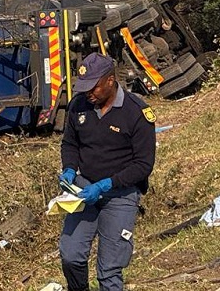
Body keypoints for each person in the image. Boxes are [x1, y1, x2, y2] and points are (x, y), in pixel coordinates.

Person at [59, 53, 157, 291]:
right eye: (83, 88)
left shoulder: (137, 113)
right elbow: (70, 144)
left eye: (93, 87)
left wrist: (106, 185)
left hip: (120, 194)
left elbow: (143, 164)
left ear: (110, 80)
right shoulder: (78, 107)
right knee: (71, 255)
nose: (88, 94)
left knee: (109, 270)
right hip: (84, 190)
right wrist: (70, 169)